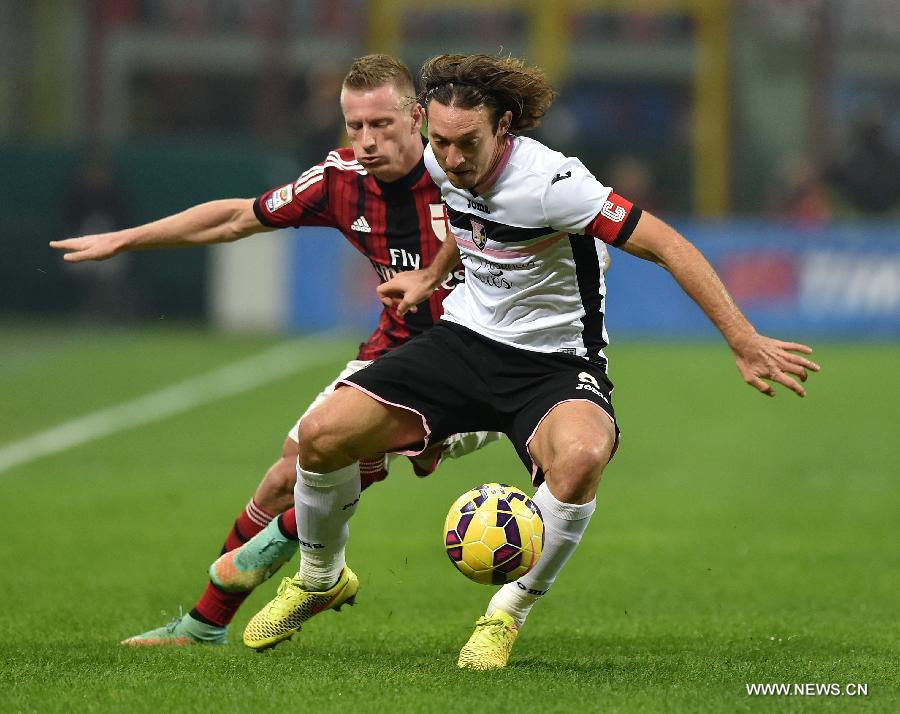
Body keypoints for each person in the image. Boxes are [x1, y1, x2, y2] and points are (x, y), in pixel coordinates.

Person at [241, 53, 820, 670]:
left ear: (504, 127)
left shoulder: (554, 185)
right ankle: (320, 577)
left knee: (582, 457)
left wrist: (742, 339)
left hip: (554, 361)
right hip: (463, 340)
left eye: (467, 143)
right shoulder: (440, 159)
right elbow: (463, 219)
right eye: (440, 141)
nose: (452, 158)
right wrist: (431, 276)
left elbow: (669, 245)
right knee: (322, 436)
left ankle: (506, 614)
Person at [49, 54, 504, 646]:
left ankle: (301, 564)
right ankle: (204, 626)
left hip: (480, 365)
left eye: (381, 125)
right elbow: (237, 218)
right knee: (282, 478)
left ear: (416, 117)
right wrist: (128, 239)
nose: (367, 141)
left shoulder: (465, 169)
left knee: (345, 450)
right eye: (355, 126)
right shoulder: (339, 180)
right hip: (393, 352)